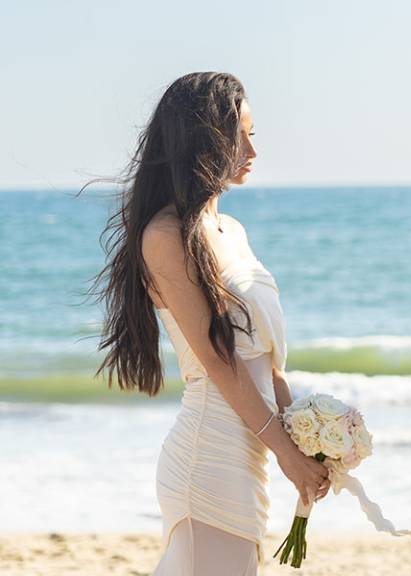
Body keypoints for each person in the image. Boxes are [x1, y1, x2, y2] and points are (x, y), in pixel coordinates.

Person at [92, 72, 329, 574]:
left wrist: (311, 441)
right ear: (200, 139)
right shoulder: (165, 235)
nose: (251, 149)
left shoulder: (232, 231)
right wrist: (286, 452)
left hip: (253, 455)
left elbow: (268, 360)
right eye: (237, 135)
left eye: (252, 133)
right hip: (210, 461)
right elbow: (221, 361)